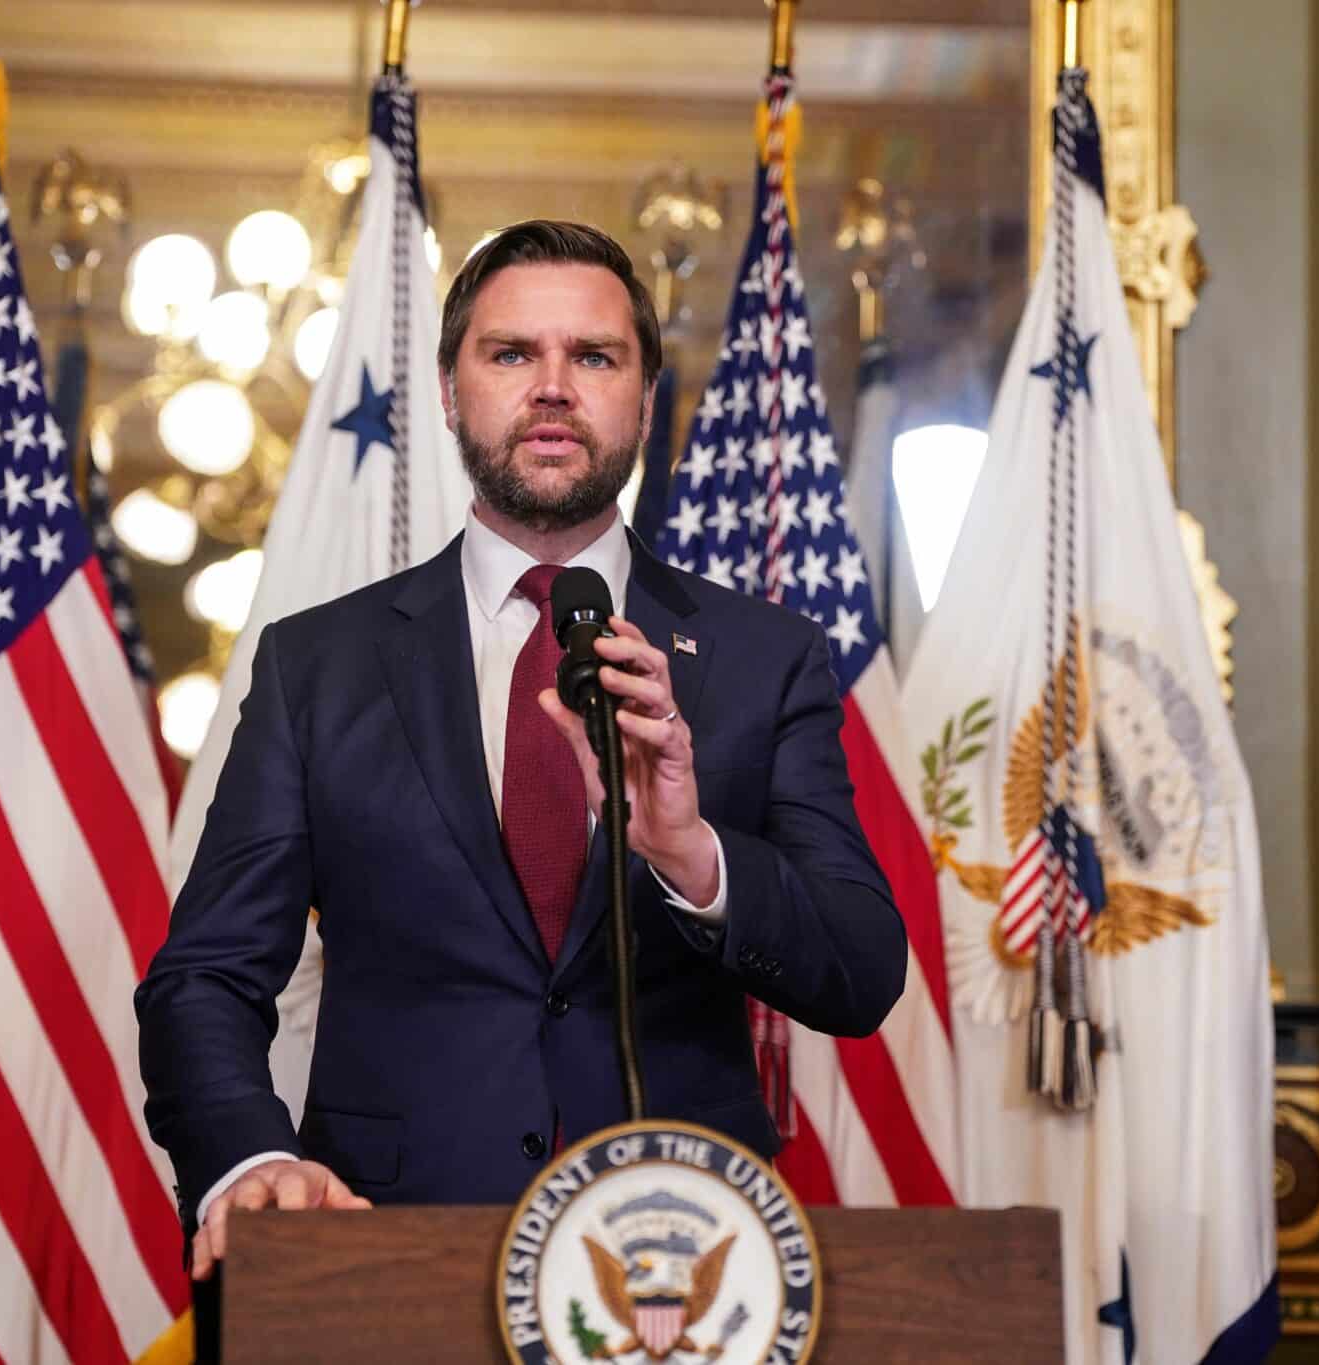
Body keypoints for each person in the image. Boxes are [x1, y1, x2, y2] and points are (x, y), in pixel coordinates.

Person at [136, 220, 906, 1278]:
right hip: (384, 1253)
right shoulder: (319, 666)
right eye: (510, 355)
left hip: (682, 1265)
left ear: (643, 398)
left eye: (593, 357)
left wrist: (687, 850)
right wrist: (249, 1158)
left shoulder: (763, 659)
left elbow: (858, 973)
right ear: (452, 394)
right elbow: (208, 975)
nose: (552, 388)